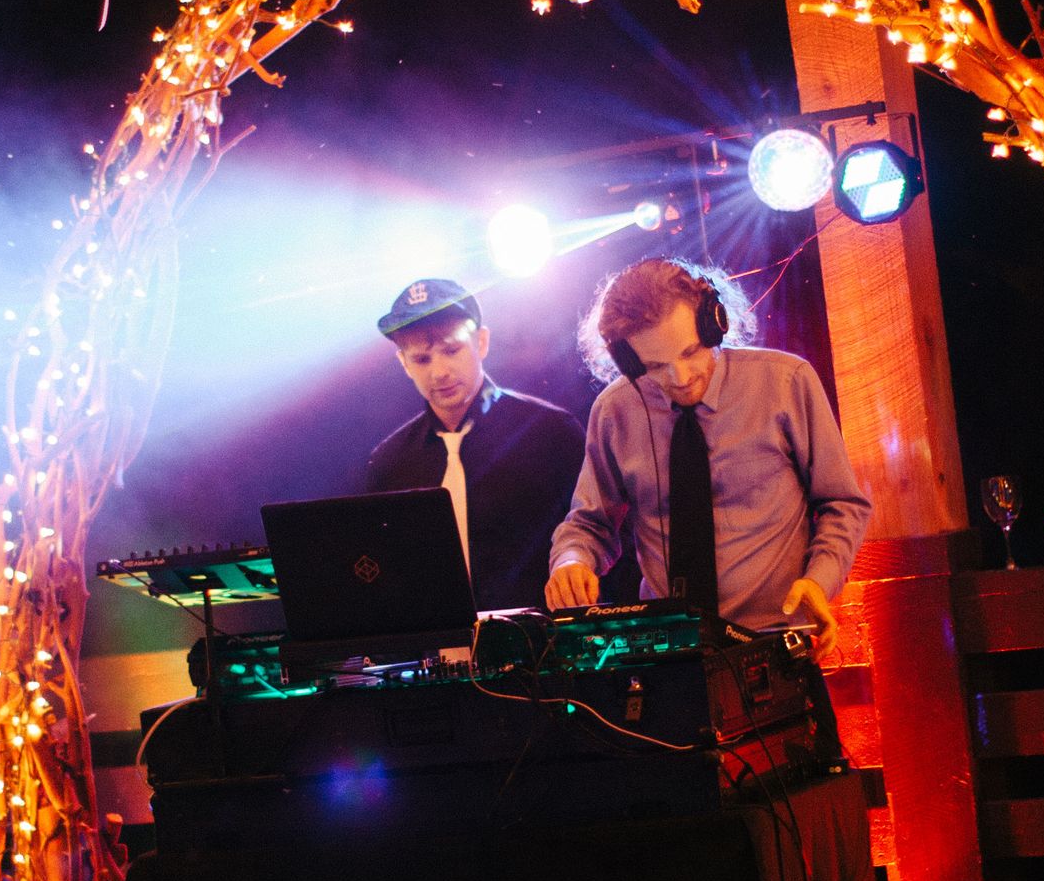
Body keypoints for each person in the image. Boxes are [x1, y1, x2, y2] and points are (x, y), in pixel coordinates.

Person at [546, 258, 869, 649]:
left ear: (715, 324)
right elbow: (590, 524)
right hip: (673, 648)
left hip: (776, 638)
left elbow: (842, 503)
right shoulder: (616, 410)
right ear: (627, 360)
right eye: (655, 366)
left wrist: (820, 580)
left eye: (691, 351)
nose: (680, 378)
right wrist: (571, 562)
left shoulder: (786, 383)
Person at [363, 277, 586, 612]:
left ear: (481, 342)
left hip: (542, 644)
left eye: (452, 350)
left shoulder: (550, 432)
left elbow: (597, 535)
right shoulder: (390, 462)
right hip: (435, 651)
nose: (439, 372)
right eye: (422, 359)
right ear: (404, 363)